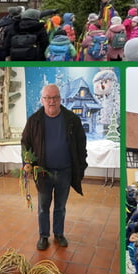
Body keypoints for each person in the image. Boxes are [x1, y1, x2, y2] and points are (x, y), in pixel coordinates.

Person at [20, 84, 88, 251]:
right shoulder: (34, 120)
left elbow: (81, 145)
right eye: (48, 98)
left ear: (60, 99)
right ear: (42, 100)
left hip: (65, 172)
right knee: (43, 207)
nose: (52, 101)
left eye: (55, 97)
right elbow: (25, 143)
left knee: (60, 207)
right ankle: (44, 236)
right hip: (43, 172)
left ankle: (58, 233)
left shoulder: (72, 119)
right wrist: (27, 161)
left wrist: (81, 165)